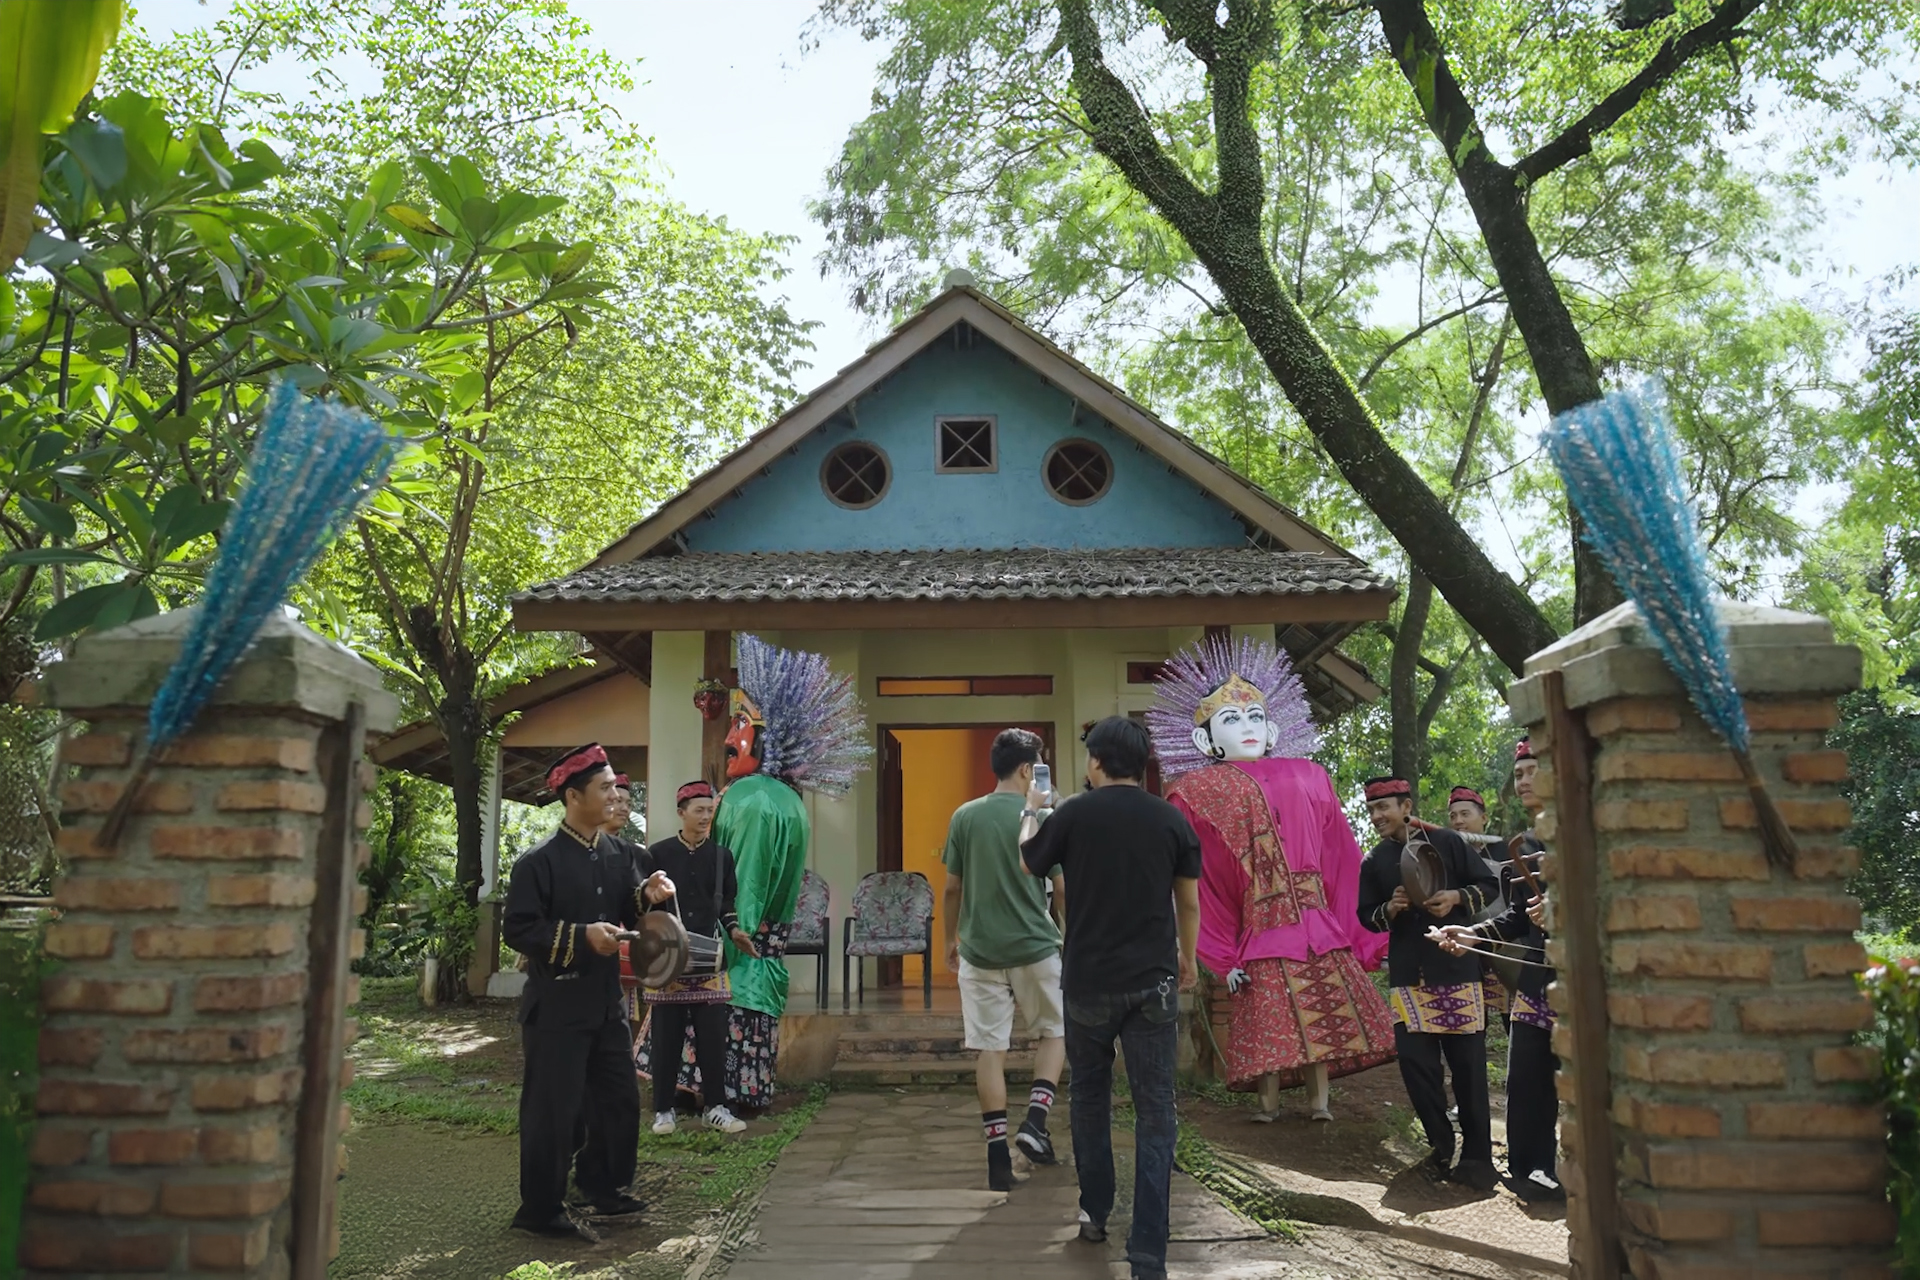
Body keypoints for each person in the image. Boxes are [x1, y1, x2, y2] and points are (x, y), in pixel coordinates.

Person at [1146, 637, 1394, 1124]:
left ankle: (1320, 1102)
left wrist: (1364, 931)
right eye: (1231, 719)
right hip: (1261, 928)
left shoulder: (1311, 774)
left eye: (1255, 716)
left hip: (1317, 925)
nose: (1247, 726)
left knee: (1324, 1021)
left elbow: (1341, 857)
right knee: (1268, 1020)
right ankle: (1268, 1104)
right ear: (1205, 741)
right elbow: (1199, 882)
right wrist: (1220, 955)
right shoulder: (1197, 791)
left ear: (1273, 728)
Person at [1021, 715, 1200, 1280]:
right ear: (1142, 763)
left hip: (1088, 982)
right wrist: (1188, 957)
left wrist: (1031, 810)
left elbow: (1028, 861)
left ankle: (1094, 1212)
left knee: (1090, 1099)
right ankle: (1148, 1251)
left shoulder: (1073, 813)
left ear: (1096, 761)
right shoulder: (1170, 819)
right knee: (1156, 1110)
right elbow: (1188, 902)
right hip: (1153, 983)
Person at [503, 743, 674, 1237]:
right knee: (554, 1112)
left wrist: (648, 894)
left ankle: (602, 1188)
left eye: (615, 787)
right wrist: (581, 938)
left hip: (605, 1004)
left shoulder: (619, 854)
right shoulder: (538, 862)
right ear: (573, 796)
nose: (615, 796)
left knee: (618, 1100)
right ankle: (539, 1211)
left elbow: (626, 905)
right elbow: (519, 930)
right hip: (556, 1008)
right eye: (604, 788)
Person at [714, 634, 872, 1108]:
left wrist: (731, 932)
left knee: (738, 1016)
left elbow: (748, 880)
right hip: (768, 945)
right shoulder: (787, 800)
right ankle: (749, 1089)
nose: (728, 738)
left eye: (740, 725)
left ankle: (728, 1092)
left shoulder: (754, 799)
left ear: (769, 738)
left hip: (740, 948)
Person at [1356, 776, 1500, 1191]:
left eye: (1384, 807)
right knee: (1416, 1066)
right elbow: (1366, 916)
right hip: (1408, 977)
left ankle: (1478, 1160)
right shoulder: (1374, 860)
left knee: (1468, 1068)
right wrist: (1390, 908)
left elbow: (1489, 886)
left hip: (1457, 970)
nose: (1377, 816)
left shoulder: (1448, 842)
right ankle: (1440, 1148)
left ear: (1406, 807)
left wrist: (1455, 898)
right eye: (1371, 809)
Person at [941, 728, 1068, 1191]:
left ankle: (997, 1158)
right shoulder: (1043, 816)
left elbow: (952, 887)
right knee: (1055, 1032)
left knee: (989, 1048)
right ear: (1026, 769)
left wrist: (950, 939)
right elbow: (1061, 887)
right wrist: (1069, 935)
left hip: (980, 950)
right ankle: (1035, 1121)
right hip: (1035, 945)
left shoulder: (965, 816)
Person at [1437, 738, 1562, 1201]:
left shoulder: (1589, 832)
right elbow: (1516, 917)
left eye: (1533, 770)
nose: (1524, 780)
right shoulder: (1524, 845)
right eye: (1519, 773)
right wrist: (1472, 934)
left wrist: (1564, 910)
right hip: (1537, 978)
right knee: (1526, 1078)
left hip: (1586, 981)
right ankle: (1532, 1170)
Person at [635, 780, 755, 1136]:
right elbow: (642, 904)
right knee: (666, 1038)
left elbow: (726, 904)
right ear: (681, 812)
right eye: (699, 810)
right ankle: (663, 1110)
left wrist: (735, 930)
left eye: (709, 811)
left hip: (709, 959)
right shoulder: (656, 854)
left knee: (713, 1038)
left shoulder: (721, 856)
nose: (705, 817)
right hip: (667, 958)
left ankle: (716, 1107)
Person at [1445, 784, 1514, 1027]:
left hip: (1507, 944)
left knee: (1514, 1018)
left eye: (1465, 814)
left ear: (1483, 818)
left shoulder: (1506, 850)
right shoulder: (1449, 856)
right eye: (1453, 816)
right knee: (1474, 1025)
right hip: (1470, 951)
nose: (1458, 821)